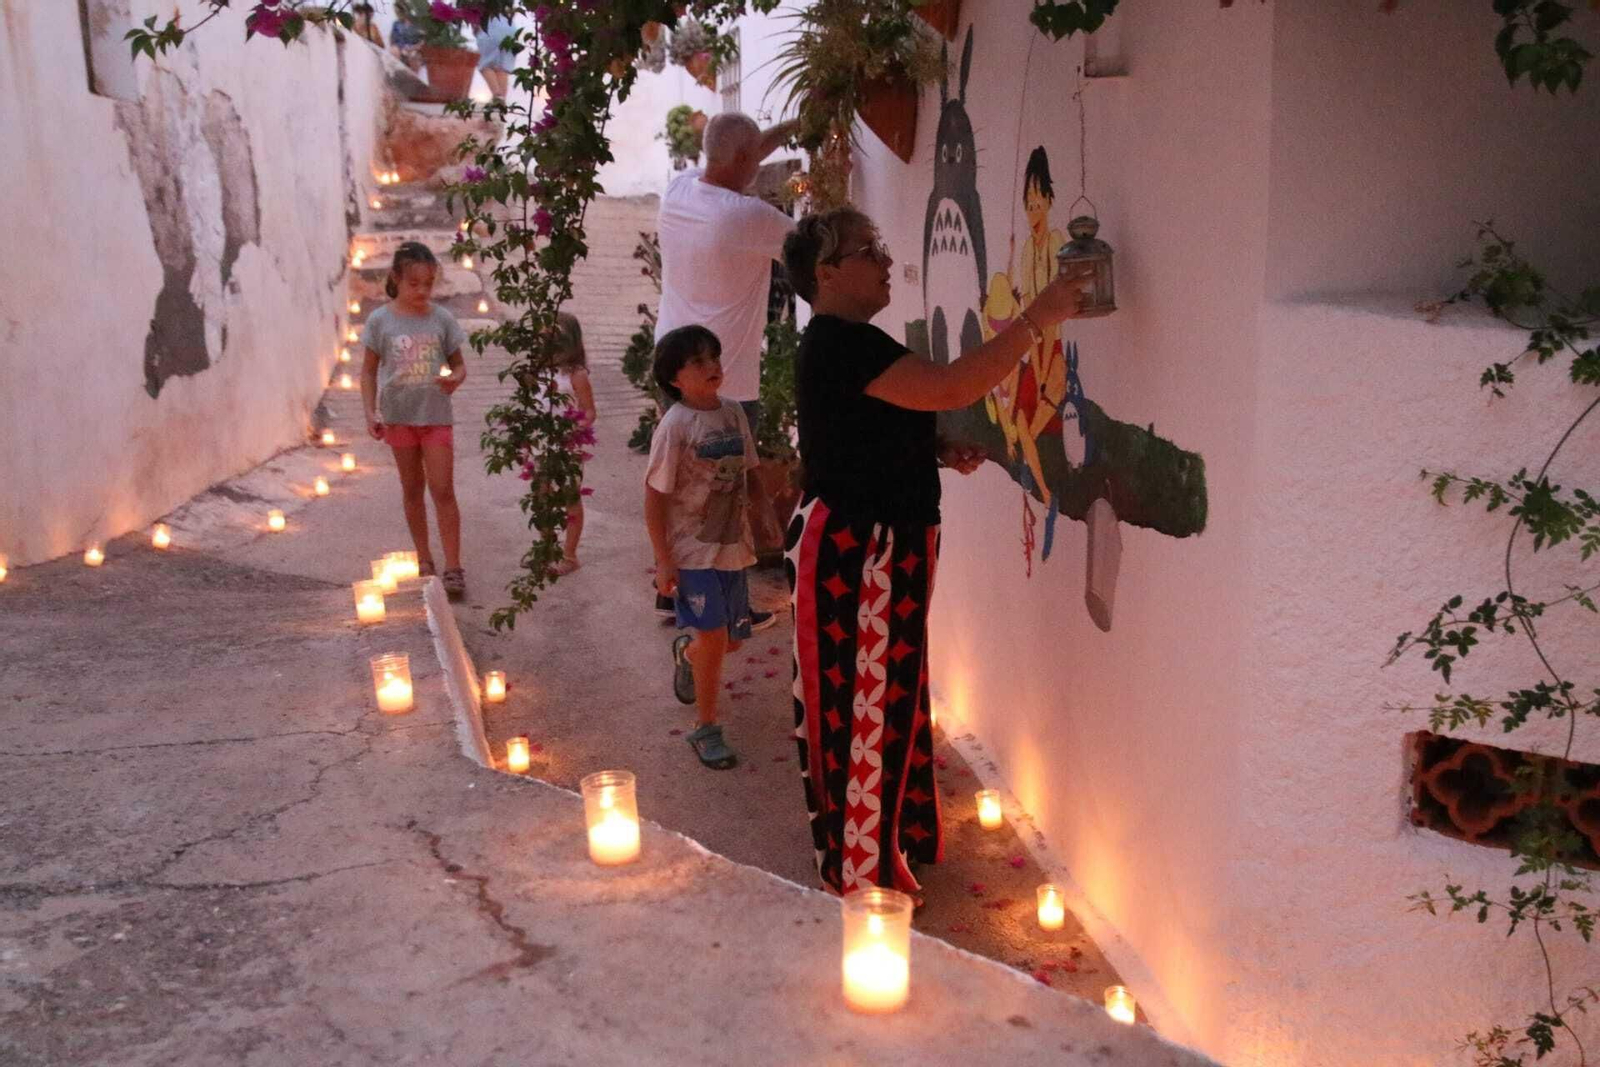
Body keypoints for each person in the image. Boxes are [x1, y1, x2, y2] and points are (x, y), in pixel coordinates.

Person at [779, 208, 1092, 900]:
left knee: (888, 696)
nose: (887, 261)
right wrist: (1037, 315)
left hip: (880, 543)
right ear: (827, 274)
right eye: (871, 250)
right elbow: (951, 385)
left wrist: (934, 452)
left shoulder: (850, 342)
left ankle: (885, 842)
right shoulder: (840, 343)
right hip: (861, 549)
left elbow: (861, 428)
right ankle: (861, 877)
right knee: (864, 707)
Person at [653, 111, 798, 619]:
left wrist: (792, 125)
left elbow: (738, 150)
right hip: (725, 382)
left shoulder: (680, 188)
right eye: (754, 156)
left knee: (677, 490)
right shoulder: (746, 216)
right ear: (743, 159)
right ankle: (715, 611)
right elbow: (811, 246)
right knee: (722, 506)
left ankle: (675, 590)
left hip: (673, 372)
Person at [644, 326, 761, 770]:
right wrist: (663, 559)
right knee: (714, 635)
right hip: (691, 550)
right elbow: (654, 496)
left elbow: (751, 472)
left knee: (728, 641)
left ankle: (687, 655)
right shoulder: (674, 427)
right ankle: (706, 727)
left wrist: (767, 521)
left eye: (714, 356)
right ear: (676, 378)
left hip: (733, 544)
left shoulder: (733, 414)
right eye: (698, 361)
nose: (712, 366)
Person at [360, 242, 469, 599]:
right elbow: (368, 372)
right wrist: (369, 411)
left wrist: (456, 378)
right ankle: (424, 559)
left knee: (442, 489)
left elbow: (459, 364)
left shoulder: (441, 319)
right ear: (396, 279)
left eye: (428, 284)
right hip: (398, 418)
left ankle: (453, 566)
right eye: (414, 284)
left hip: (435, 416)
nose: (422, 291)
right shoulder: (380, 321)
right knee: (412, 489)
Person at [551, 311, 594, 576]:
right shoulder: (540, 371)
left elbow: (589, 411)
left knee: (569, 497)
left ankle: (569, 553)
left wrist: (574, 430)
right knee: (541, 496)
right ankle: (547, 549)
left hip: (566, 446)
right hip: (542, 443)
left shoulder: (576, 375)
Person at [474, 16, 518, 99]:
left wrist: (476, 30)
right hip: (510, 29)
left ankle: (497, 94)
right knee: (502, 67)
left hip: (490, 28)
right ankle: (501, 100)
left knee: (485, 64)